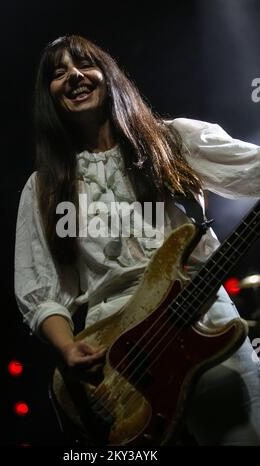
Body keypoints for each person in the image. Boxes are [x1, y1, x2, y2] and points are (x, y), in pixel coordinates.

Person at [14, 34, 260, 446]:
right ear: (49, 96)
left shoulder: (172, 142)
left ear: (108, 76)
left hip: (203, 323)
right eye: (59, 74)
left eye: (84, 65)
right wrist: (67, 349)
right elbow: (39, 290)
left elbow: (252, 168)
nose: (74, 76)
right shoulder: (44, 187)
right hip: (121, 359)